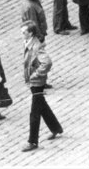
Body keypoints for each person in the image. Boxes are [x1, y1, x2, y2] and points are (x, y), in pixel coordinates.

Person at [19, 21, 61, 151]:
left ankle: (32, 141)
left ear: (30, 33)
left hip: (37, 82)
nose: (22, 34)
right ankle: (55, 128)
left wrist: (36, 75)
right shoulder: (28, 42)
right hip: (33, 82)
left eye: (24, 32)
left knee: (35, 112)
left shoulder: (36, 46)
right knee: (42, 106)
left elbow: (47, 63)